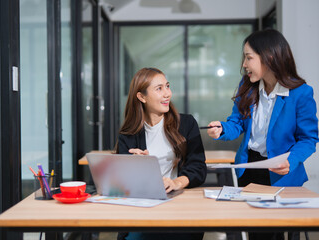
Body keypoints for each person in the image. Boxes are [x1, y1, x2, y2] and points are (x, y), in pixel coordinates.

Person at [207, 29, 319, 240]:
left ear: (269, 57)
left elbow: (308, 139)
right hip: (249, 169)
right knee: (254, 231)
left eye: (249, 57)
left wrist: (291, 160)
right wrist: (222, 129)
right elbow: (237, 123)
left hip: (281, 172)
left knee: (273, 233)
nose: (244, 64)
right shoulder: (247, 86)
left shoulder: (301, 93)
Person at [116, 67, 207, 240]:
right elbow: (121, 183)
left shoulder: (186, 123)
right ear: (141, 97)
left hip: (178, 206)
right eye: (159, 89)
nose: (167, 94)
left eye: (167, 86)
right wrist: (133, 167)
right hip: (142, 209)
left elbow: (198, 168)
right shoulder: (128, 134)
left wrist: (176, 183)